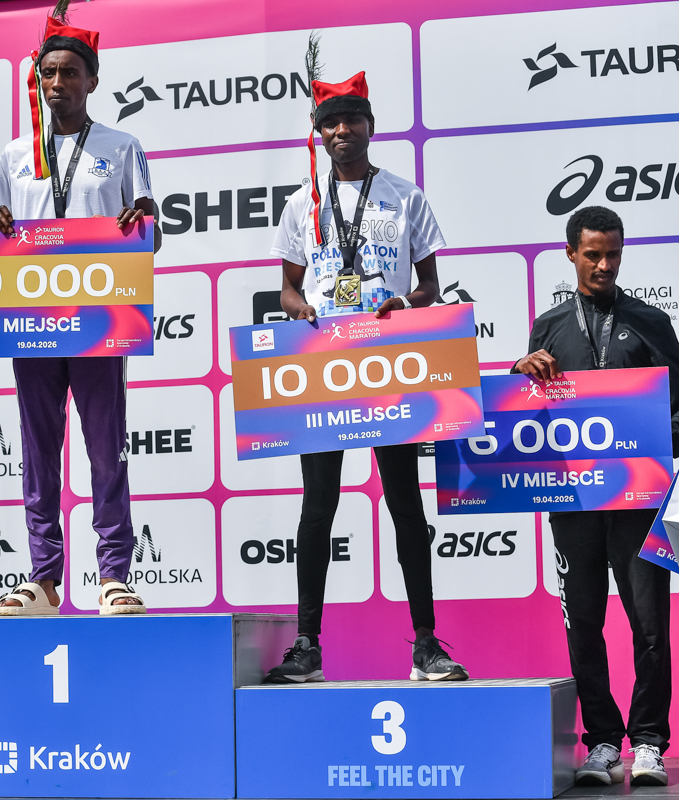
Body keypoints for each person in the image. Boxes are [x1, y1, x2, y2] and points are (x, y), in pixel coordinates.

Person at [262, 44, 468, 683]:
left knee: (405, 503)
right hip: (325, 366)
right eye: (330, 122)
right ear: (318, 133)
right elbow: (287, 289)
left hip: (389, 361)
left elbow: (431, 287)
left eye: (352, 119)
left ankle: (426, 644)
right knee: (317, 506)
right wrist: (301, 310)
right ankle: (307, 646)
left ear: (371, 126)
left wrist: (406, 303)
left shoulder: (406, 197)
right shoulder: (302, 203)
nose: (341, 130)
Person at [0, 3, 160, 616]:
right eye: (47, 73)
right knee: (38, 450)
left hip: (99, 319)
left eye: (69, 72)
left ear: (92, 80)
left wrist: (143, 224)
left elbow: (151, 237)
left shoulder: (123, 146)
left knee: (105, 448)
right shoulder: (15, 154)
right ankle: (44, 577)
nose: (56, 82)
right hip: (30, 320)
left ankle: (114, 576)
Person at [514, 206, 677, 787]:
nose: (605, 265)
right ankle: (603, 741)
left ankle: (649, 742)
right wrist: (520, 369)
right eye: (593, 254)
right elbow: (527, 412)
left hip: (639, 502)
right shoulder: (549, 326)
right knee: (583, 622)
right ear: (571, 254)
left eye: (613, 254)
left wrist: (656, 446)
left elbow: (677, 409)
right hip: (573, 501)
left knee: (649, 625)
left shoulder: (653, 323)